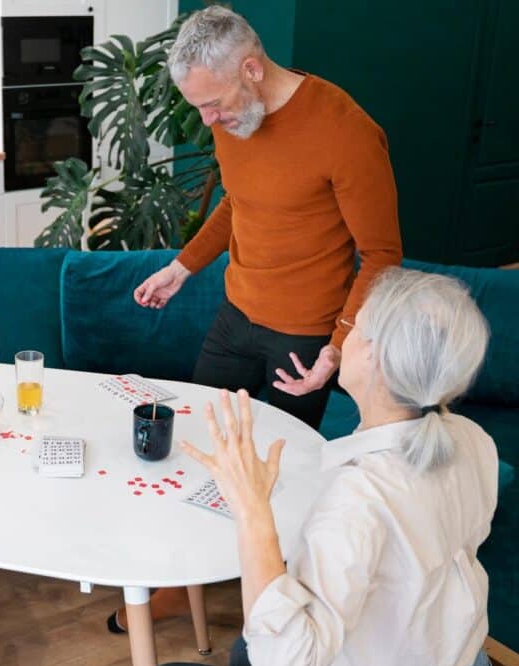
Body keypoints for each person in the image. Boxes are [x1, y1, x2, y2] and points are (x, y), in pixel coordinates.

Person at [116, 5, 404, 633]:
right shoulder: (232, 114)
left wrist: (337, 348)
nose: (207, 120)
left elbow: (382, 255)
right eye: (197, 107)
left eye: (212, 104)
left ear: (251, 69)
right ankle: (179, 582)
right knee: (203, 447)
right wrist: (183, 267)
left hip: (305, 338)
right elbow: (236, 203)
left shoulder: (345, 130)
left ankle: (272, 613)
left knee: (278, 479)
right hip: (235, 313)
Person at [160, 267, 496, 666]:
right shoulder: (473, 438)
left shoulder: (357, 497)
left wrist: (251, 509)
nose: (343, 337)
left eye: (353, 324)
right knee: (245, 649)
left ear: (374, 355)